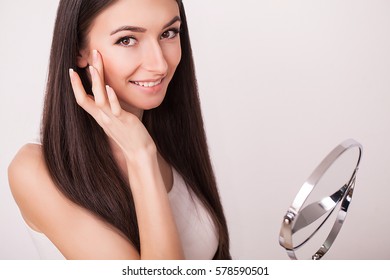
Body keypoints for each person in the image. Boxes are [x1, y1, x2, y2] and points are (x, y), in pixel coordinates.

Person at [8, 0, 231, 260]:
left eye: (168, 33)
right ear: (80, 49)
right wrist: (140, 155)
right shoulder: (38, 169)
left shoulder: (169, 135)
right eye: (127, 40)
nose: (159, 64)